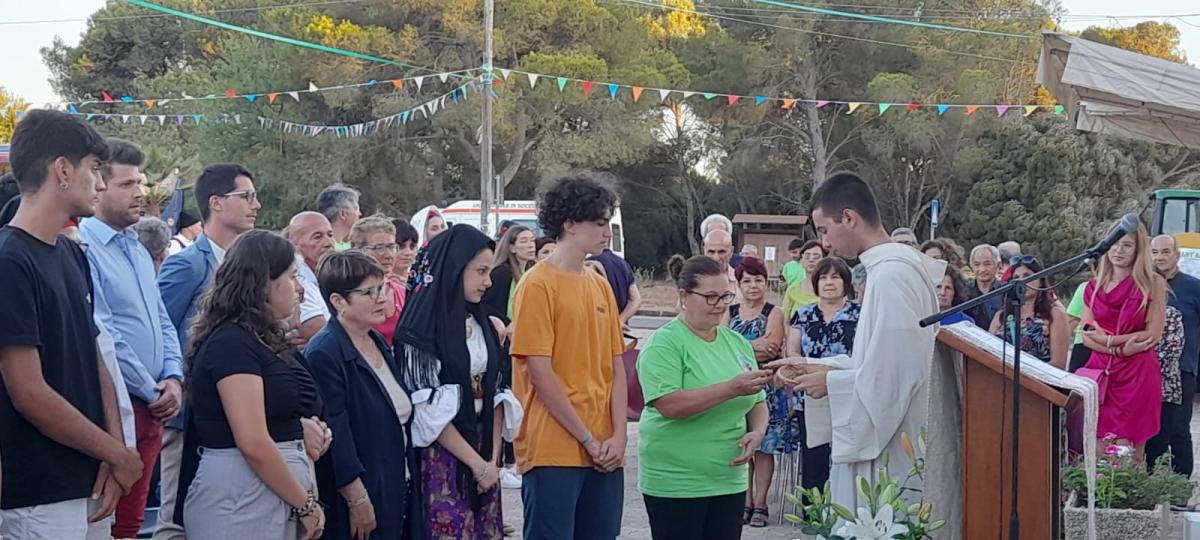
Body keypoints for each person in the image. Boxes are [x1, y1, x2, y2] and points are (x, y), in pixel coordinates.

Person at [0, 110, 143, 539]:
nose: (100, 183)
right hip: (38, 492)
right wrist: (115, 452)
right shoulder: (10, 262)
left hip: (91, 478)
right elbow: (29, 392)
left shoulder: (71, 254)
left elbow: (95, 356)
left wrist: (114, 451)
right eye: (94, 169)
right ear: (63, 170)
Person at [768, 172, 944, 511]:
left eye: (824, 230)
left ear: (849, 217)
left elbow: (896, 376)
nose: (824, 243)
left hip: (892, 448)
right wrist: (813, 366)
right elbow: (877, 360)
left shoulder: (891, 276)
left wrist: (830, 383)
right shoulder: (888, 270)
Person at [178, 230, 327, 539]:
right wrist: (306, 505)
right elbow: (253, 441)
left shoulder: (257, 340)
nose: (300, 288)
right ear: (264, 284)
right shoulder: (231, 343)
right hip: (241, 495)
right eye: (292, 277)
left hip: (265, 491)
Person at [510, 172, 627, 540]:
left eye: (607, 222)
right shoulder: (536, 284)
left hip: (606, 448)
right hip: (553, 448)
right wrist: (587, 439)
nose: (607, 232)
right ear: (570, 224)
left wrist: (619, 435)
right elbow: (540, 374)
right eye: (599, 223)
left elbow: (616, 367)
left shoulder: (600, 283)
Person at [79, 139, 185, 539]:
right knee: (103, 520)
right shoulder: (84, 248)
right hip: (116, 405)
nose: (140, 193)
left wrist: (173, 377)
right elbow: (104, 333)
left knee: (131, 523)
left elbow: (162, 320)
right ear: (99, 186)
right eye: (127, 184)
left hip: (154, 403)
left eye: (140, 182)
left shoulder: (138, 249)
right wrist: (152, 388)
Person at [154, 162, 262, 540]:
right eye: (246, 196)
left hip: (234, 413)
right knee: (176, 518)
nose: (256, 205)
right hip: (189, 416)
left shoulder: (245, 265)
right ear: (216, 203)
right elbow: (160, 331)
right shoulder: (187, 264)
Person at [395, 224, 522, 538]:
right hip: (445, 456)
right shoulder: (419, 333)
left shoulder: (484, 323)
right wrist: (476, 464)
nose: (488, 282)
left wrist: (491, 460)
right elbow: (427, 411)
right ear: (453, 270)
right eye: (480, 272)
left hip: (484, 447)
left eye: (488, 271)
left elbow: (496, 392)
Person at [637, 255, 770, 540]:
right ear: (684, 296)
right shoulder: (665, 343)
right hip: (677, 481)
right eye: (710, 297)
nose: (719, 304)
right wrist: (730, 389)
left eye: (725, 296)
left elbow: (758, 399)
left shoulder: (736, 343)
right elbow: (669, 405)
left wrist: (758, 431)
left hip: (729, 479)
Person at [304, 251, 415, 540]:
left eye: (382, 288)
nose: (382, 298)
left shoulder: (375, 339)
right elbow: (337, 433)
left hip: (395, 481)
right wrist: (357, 498)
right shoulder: (325, 352)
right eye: (368, 292)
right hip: (362, 492)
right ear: (338, 301)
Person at [1080, 221, 1166, 457]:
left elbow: (1152, 334)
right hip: (1101, 373)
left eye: (1127, 245)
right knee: (1099, 448)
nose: (1118, 251)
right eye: (1114, 244)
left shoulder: (1153, 283)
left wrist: (1109, 341)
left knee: (1130, 451)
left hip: (1136, 373)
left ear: (1139, 249)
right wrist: (1118, 349)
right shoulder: (1092, 286)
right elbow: (1086, 334)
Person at [785, 257, 861, 503]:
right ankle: (814, 514)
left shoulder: (859, 314)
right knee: (814, 460)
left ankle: (845, 510)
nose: (829, 283)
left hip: (847, 393)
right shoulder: (803, 314)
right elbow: (792, 351)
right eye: (824, 278)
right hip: (810, 395)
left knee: (846, 458)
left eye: (835, 277)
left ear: (846, 282)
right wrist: (807, 369)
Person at [726, 257, 786, 528]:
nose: (753, 286)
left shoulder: (775, 312)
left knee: (764, 448)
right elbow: (721, 346)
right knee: (741, 444)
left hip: (766, 386)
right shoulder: (730, 311)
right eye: (747, 281)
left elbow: (772, 347)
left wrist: (740, 347)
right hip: (736, 387)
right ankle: (745, 502)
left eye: (758, 280)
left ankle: (761, 503)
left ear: (766, 283)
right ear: (739, 284)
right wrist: (754, 346)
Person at [1147, 234, 1200, 475]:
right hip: (1144, 370)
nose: (1160, 257)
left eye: (1165, 252)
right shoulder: (1142, 286)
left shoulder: (1193, 288)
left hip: (1182, 370)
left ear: (1177, 255)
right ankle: (1148, 481)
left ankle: (1180, 486)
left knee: (1178, 430)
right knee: (1149, 429)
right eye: (1154, 252)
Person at [987, 257, 1070, 369]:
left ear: (1040, 281)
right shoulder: (1001, 316)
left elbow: (1058, 364)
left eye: (1027, 276)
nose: (1021, 281)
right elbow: (987, 352)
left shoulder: (1055, 314)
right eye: (1016, 278)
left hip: (1038, 378)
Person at [348, 216, 406, 343]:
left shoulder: (403, 292)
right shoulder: (350, 296)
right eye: (379, 248)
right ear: (358, 250)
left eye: (391, 247)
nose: (388, 255)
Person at [288, 211, 335, 344]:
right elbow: (318, 331)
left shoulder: (328, 275)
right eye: (317, 237)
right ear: (295, 244)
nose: (329, 243)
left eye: (330, 235)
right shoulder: (298, 280)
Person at [483, 225, 537, 324]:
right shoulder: (502, 272)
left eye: (532, 240)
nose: (531, 245)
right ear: (512, 248)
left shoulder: (531, 271)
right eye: (524, 241)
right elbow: (491, 306)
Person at [589, 240, 643, 331]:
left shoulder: (589, 264)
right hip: (618, 332)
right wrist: (620, 321)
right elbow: (636, 299)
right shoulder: (624, 264)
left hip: (598, 329)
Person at [782, 240, 827, 323]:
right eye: (807, 256)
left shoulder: (831, 289)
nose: (811, 260)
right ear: (801, 261)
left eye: (816, 256)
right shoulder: (792, 290)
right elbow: (785, 320)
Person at [967, 244, 1004, 330]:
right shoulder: (963, 292)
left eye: (987, 264)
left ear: (998, 265)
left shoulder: (1006, 292)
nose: (982, 269)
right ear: (971, 267)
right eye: (977, 264)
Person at [317, 184, 362, 252]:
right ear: (343, 214)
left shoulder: (319, 247)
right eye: (356, 209)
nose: (360, 214)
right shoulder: (328, 250)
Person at [703, 229, 738, 294]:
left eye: (721, 252)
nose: (716, 258)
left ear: (731, 251)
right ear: (704, 251)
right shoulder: (693, 281)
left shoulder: (741, 280)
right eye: (711, 252)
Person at [392, 219, 421, 284]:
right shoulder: (380, 284)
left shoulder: (419, 281)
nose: (408, 252)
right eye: (401, 247)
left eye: (412, 247)